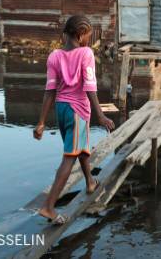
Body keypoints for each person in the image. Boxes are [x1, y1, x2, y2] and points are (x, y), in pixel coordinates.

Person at [33, 15, 115, 225]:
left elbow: (49, 91)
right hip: (78, 109)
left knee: (78, 148)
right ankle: (49, 207)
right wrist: (101, 114)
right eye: (88, 35)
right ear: (80, 35)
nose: (89, 39)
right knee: (69, 156)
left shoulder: (55, 56)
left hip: (62, 110)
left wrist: (41, 122)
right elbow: (89, 87)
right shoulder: (85, 53)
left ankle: (89, 182)